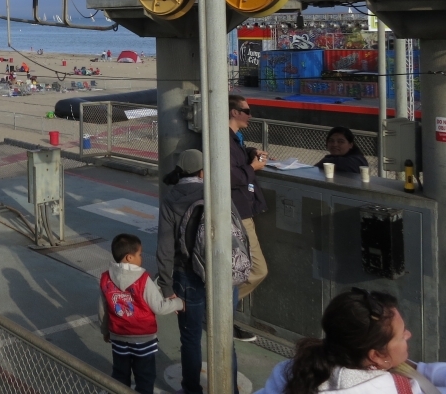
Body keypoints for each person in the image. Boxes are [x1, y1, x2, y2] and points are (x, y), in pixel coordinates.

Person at [156, 149, 240, 394]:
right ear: (204, 171)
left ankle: (192, 389)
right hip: (224, 275)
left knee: (191, 339)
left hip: (188, 276)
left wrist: (167, 286)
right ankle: (228, 389)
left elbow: (165, 248)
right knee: (225, 337)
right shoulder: (217, 193)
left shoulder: (171, 199)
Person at [258, 288, 446, 394]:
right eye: (401, 334)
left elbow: (422, 372)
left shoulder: (289, 371)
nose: (408, 334)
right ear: (377, 356)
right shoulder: (396, 390)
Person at [99, 233, 183, 394]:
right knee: (144, 376)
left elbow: (103, 309)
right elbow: (159, 306)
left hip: (118, 336)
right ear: (129, 257)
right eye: (139, 254)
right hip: (143, 338)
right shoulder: (143, 280)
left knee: (120, 374)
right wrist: (178, 303)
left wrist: (105, 331)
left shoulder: (105, 278)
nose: (141, 257)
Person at [229, 94, 268, 337]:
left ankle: (219, 311)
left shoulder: (232, 139)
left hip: (240, 210)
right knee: (256, 269)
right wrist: (253, 168)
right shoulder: (225, 139)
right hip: (238, 213)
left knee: (238, 270)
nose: (250, 115)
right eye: (246, 110)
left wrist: (251, 151)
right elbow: (230, 175)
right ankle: (217, 310)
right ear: (234, 112)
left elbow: (236, 156)